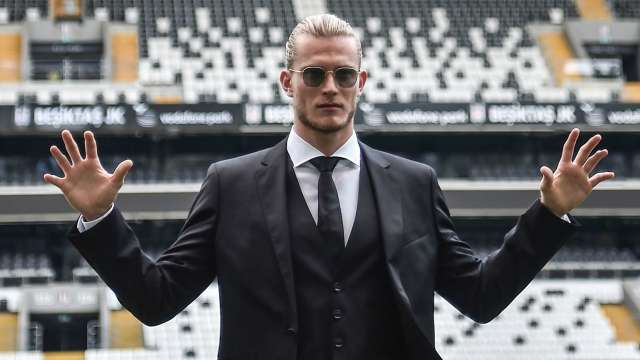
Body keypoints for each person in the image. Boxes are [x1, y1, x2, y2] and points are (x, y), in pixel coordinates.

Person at [44, 14, 614, 360]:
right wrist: (100, 220)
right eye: (314, 75)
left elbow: (481, 297)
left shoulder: (415, 184)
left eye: (344, 74)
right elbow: (157, 299)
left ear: (361, 81)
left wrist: (549, 214)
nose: (330, 87)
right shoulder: (231, 183)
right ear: (288, 81)